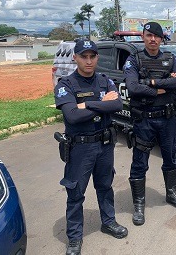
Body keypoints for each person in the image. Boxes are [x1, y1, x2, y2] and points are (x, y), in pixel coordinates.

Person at [54, 40, 128, 255]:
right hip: (81, 148)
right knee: (75, 193)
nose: (88, 61)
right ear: (75, 57)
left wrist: (86, 104)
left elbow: (117, 105)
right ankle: (75, 238)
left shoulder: (105, 81)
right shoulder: (65, 85)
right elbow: (72, 116)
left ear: (97, 58)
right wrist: (101, 103)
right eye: (83, 56)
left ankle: (109, 221)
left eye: (92, 56)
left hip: (105, 144)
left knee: (105, 186)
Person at [123, 22, 176, 226]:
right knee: (139, 163)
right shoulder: (134, 59)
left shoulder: (170, 58)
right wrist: (163, 87)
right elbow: (132, 87)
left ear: (161, 39)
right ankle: (139, 205)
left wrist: (150, 83)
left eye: (157, 36)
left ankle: (171, 193)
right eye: (149, 35)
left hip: (168, 120)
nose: (153, 39)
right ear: (143, 36)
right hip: (144, 120)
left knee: (170, 158)